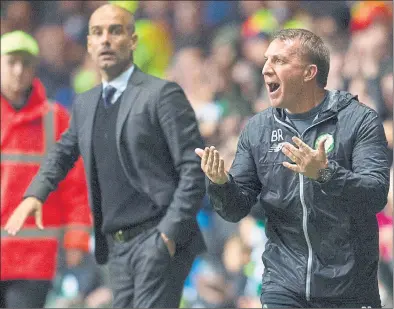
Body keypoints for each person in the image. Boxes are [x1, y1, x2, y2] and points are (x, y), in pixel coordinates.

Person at [5, 4, 206, 309]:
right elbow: (62, 154)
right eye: (97, 33)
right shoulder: (86, 103)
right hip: (116, 247)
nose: (106, 40)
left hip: (158, 236)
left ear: (133, 41)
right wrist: (35, 195)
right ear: (88, 44)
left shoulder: (161, 95)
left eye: (116, 31)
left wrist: (168, 233)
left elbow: (193, 168)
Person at [195, 28, 390, 308]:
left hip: (350, 287)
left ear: (310, 72)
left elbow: (375, 194)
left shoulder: (359, 121)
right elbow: (236, 208)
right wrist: (221, 183)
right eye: (266, 60)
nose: (265, 69)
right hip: (284, 284)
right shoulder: (258, 130)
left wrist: (325, 174)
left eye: (279, 61)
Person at [0, 31, 92, 308]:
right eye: (11, 62)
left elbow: (75, 183)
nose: (18, 71)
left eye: (26, 64)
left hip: (34, 259)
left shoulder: (55, 118)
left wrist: (77, 237)